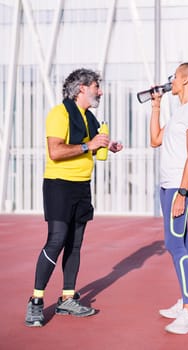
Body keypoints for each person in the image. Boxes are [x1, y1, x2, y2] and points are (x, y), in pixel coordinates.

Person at [25, 68, 123, 327]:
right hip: (59, 185)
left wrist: (107, 146)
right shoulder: (59, 113)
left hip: (82, 186)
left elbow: (90, 145)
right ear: (82, 88)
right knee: (56, 240)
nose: (99, 91)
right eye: (96, 86)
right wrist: (87, 146)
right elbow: (55, 151)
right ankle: (36, 301)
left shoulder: (89, 117)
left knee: (75, 244)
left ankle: (67, 299)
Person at [149, 62, 188, 334]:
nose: (170, 80)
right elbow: (155, 140)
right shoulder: (180, 112)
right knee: (179, 243)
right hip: (168, 187)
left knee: (175, 246)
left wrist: (182, 193)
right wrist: (156, 106)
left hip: (178, 189)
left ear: (184, 80)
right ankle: (187, 302)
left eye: (174, 76)